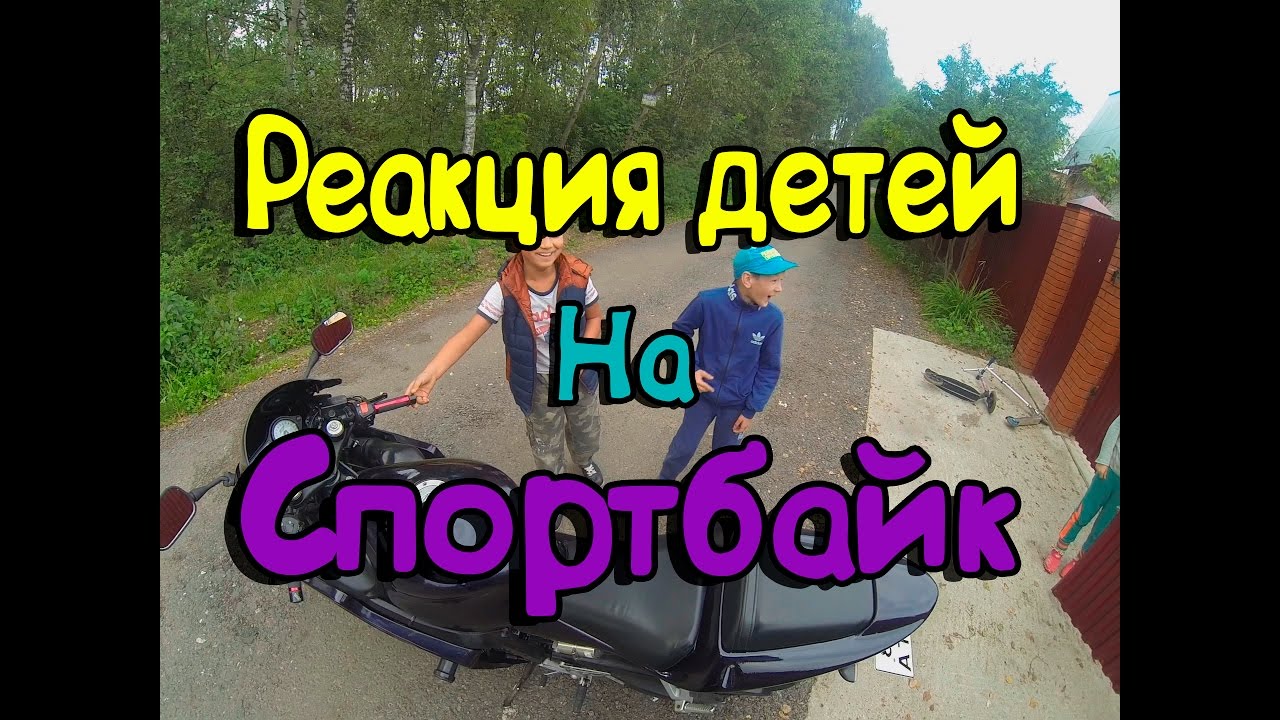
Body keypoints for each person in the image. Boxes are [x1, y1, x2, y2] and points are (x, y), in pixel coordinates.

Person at [405, 234, 606, 484]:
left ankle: (584, 460)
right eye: (535, 235)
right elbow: (468, 333)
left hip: (579, 376)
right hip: (537, 383)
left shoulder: (578, 277)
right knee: (545, 442)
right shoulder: (505, 289)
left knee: (586, 430)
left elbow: (595, 318)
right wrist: (432, 372)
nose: (547, 244)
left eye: (554, 232)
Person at [657, 244, 797, 481]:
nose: (779, 288)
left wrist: (751, 409)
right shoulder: (707, 301)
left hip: (737, 403)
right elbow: (679, 333)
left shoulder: (773, 318)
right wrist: (689, 370)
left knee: (724, 460)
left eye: (780, 281)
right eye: (774, 281)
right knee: (682, 449)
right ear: (748, 279)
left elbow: (769, 368)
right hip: (701, 397)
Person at [1044, 414, 1120, 578]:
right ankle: (1058, 550)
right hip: (1108, 473)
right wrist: (1104, 459)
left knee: (1103, 528)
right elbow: (1116, 428)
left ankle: (1078, 561)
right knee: (1083, 513)